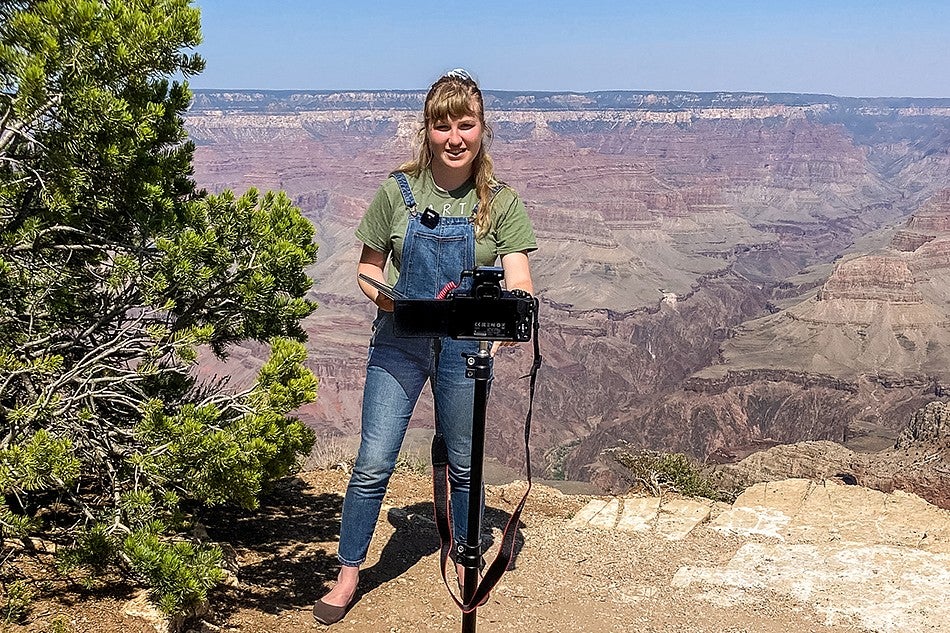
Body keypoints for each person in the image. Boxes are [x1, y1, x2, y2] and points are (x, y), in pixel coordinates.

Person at [312, 68, 537, 625]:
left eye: (466, 124)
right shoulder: (398, 191)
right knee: (373, 460)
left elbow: (520, 278)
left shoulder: (500, 203)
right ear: (427, 131)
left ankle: (465, 553)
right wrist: (392, 301)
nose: (454, 138)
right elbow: (367, 269)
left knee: (465, 462)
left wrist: (505, 312)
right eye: (443, 126)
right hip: (399, 343)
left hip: (465, 349)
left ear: (482, 129)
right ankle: (348, 573)